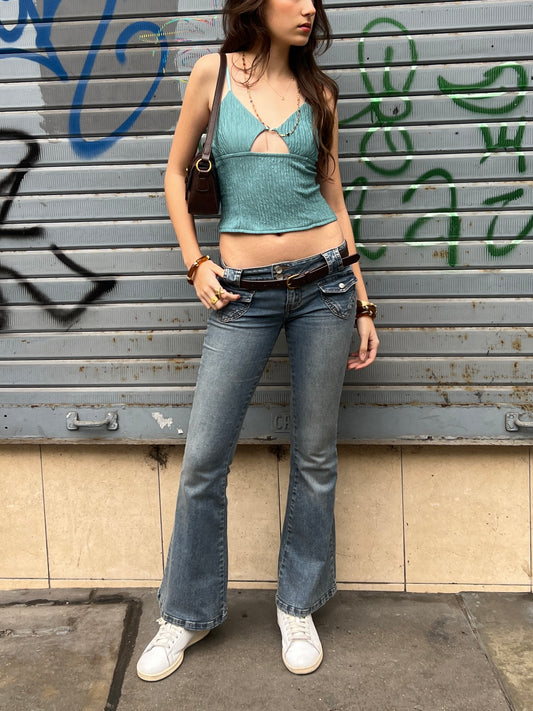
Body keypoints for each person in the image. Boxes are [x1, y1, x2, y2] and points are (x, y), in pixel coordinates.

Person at [137, 0, 379, 681]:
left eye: (314, 0)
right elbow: (174, 175)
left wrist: (363, 301)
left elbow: (334, 197)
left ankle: (298, 604)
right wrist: (195, 263)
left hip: (326, 287)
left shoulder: (320, 92)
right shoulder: (211, 74)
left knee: (315, 454)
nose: (308, 8)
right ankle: (186, 613)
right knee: (203, 458)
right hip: (240, 293)